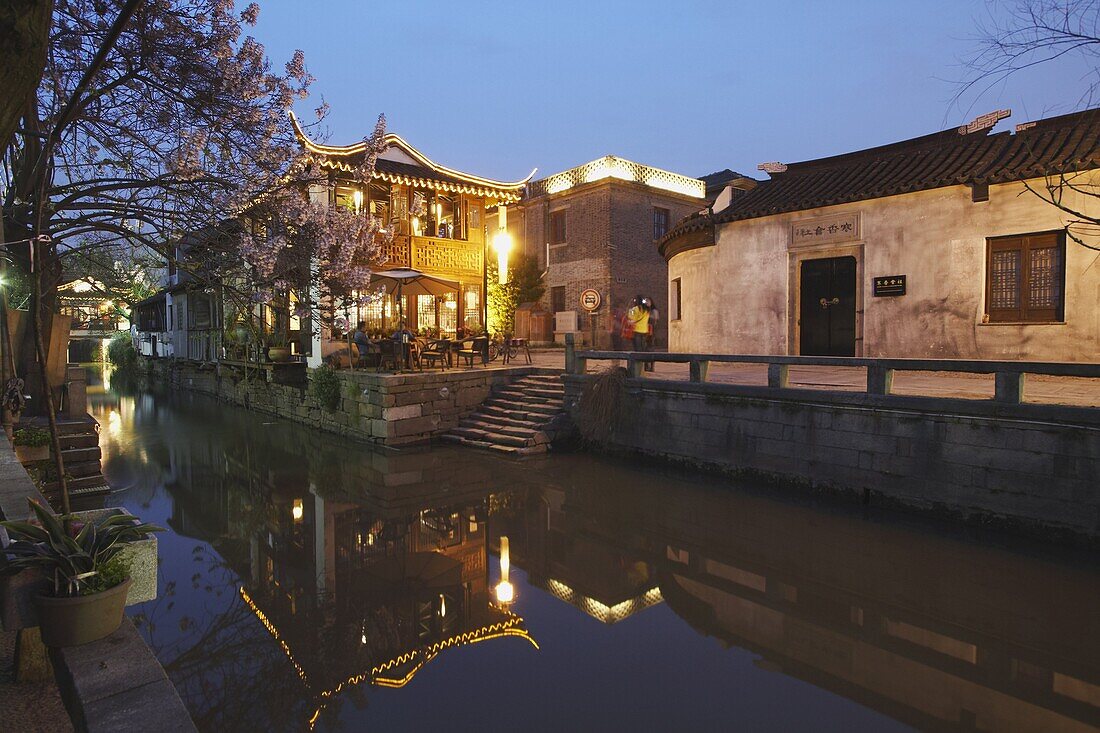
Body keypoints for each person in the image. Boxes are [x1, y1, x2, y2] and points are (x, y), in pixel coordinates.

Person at [626, 295, 653, 372]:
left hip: (637, 331)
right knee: (643, 349)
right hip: (644, 331)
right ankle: (647, 365)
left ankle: (639, 368)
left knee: (638, 350)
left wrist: (630, 309)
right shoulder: (646, 310)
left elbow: (630, 318)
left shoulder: (634, 309)